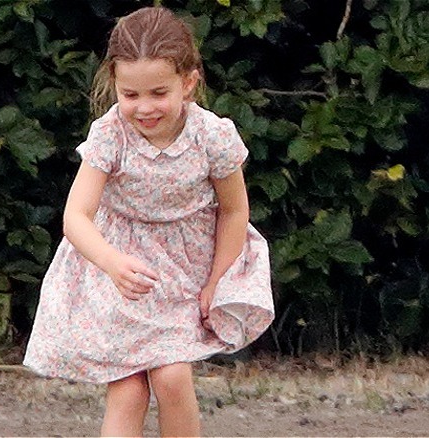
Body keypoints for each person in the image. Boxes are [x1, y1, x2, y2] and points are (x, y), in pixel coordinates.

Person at [23, 6, 274, 437]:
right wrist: (111, 262)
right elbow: (76, 216)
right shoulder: (110, 136)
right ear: (115, 86)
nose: (144, 108)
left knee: (172, 377)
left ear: (189, 82)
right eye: (130, 95)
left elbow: (234, 210)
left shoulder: (211, 136)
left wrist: (218, 280)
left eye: (158, 93)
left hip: (184, 273)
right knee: (128, 388)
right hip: (121, 272)